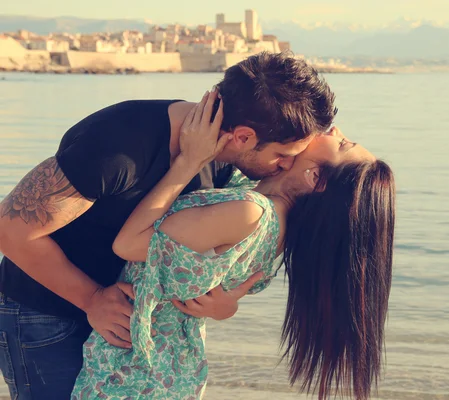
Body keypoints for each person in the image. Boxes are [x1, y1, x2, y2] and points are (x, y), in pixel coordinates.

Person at [0, 52, 337, 400]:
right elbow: (10, 229)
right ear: (243, 137)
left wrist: (224, 306)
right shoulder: (121, 144)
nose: (284, 166)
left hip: (115, 328)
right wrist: (91, 299)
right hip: (44, 314)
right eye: (283, 155)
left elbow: (189, 254)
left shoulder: (226, 165)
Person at [71, 87, 395, 400]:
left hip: (133, 373)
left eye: (343, 143)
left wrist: (188, 162)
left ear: (316, 179)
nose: (335, 129)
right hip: (165, 370)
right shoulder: (274, 218)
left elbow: (128, 244)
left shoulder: (249, 212)